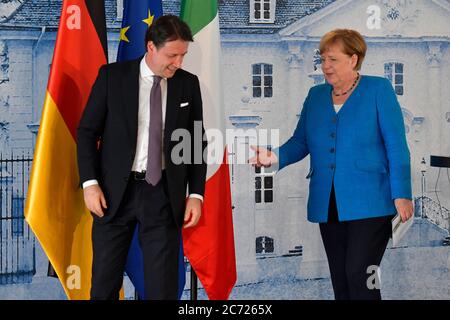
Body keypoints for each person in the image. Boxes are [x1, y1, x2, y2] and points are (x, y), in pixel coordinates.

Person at [249, 29, 413, 300]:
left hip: (372, 201)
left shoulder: (379, 89)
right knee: (341, 278)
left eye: (332, 59)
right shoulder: (315, 96)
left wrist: (402, 194)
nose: (325, 66)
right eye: (322, 59)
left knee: (361, 274)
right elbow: (300, 142)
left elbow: (396, 146)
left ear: (353, 59)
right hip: (329, 203)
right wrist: (273, 156)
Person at [77, 15, 207, 300]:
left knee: (163, 289)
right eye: (172, 55)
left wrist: (196, 194)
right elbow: (87, 132)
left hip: (162, 195)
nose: (178, 63)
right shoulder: (112, 77)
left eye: (183, 55)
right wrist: (89, 183)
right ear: (151, 47)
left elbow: (196, 142)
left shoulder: (188, 84)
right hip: (112, 195)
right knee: (103, 285)